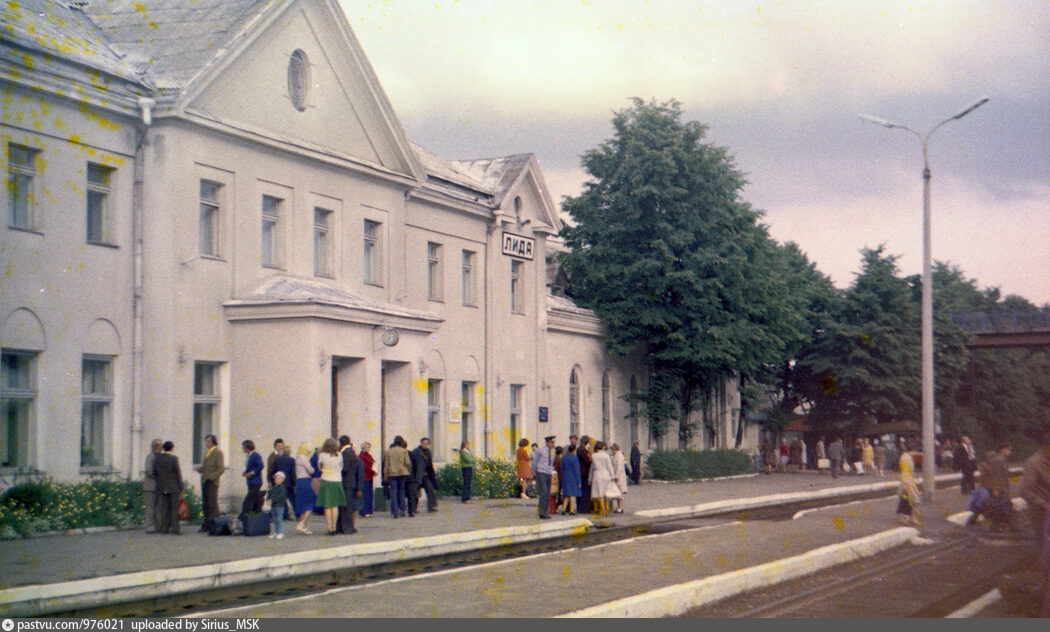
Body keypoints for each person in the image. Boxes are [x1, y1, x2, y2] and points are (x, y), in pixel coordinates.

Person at [1020, 431, 1050, 548]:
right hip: (1041, 513)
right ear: (1047, 447)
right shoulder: (1033, 463)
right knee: (1044, 548)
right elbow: (1025, 491)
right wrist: (1045, 505)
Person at [152, 440, 183, 535]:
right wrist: (181, 487)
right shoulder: (174, 459)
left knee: (164, 507)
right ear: (172, 448)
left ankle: (164, 528)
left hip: (162, 487)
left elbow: (154, 472)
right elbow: (177, 473)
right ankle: (175, 528)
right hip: (174, 487)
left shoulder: (158, 458)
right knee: (174, 508)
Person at [195, 433, 224, 532]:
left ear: (213, 442)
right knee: (205, 504)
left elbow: (220, 468)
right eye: (206, 441)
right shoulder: (207, 452)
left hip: (212, 481)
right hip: (205, 480)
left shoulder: (217, 452)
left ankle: (215, 525)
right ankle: (206, 525)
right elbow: (208, 466)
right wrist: (201, 469)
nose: (206, 443)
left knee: (212, 504)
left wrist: (212, 476)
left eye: (208, 441)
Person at [316, 438, 346, 535]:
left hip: (326, 480)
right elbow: (341, 467)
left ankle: (329, 527)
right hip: (337, 480)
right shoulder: (339, 455)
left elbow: (320, 467)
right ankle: (334, 526)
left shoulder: (322, 455)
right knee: (335, 505)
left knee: (327, 505)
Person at [337, 435, 363, 534]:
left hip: (347, 482)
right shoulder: (350, 452)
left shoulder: (346, 453)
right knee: (346, 506)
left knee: (346, 506)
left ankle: (347, 527)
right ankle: (345, 526)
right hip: (350, 483)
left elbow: (345, 468)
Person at [383, 435, 411, 518]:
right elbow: (408, 463)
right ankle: (403, 509)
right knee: (402, 492)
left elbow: (386, 465)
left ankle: (395, 511)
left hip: (392, 473)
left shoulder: (389, 451)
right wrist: (408, 470)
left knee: (394, 492)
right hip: (402, 473)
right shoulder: (404, 451)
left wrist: (385, 475)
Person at [589, 441, 620, 516]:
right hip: (606, 474)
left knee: (599, 492)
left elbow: (592, 467)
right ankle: (607, 509)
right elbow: (609, 466)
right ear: (603, 447)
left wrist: (590, 478)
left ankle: (602, 509)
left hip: (597, 474)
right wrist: (612, 475)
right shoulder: (606, 455)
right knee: (606, 492)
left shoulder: (594, 455)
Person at [410, 437, 438, 515]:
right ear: (421, 443)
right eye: (423, 443)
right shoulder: (416, 452)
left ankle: (431, 506)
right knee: (416, 492)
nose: (425, 445)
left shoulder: (428, 452)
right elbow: (413, 463)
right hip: (417, 475)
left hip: (426, 474)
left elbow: (429, 464)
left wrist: (432, 475)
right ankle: (413, 508)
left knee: (430, 488)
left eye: (426, 443)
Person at [294, 443, 318, 534]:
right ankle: (302, 523)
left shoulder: (297, 458)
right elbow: (310, 470)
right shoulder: (303, 458)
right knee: (311, 502)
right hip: (305, 481)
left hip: (300, 481)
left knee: (303, 504)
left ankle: (305, 526)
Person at [532, 435, 555, 519]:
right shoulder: (540, 450)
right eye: (552, 442)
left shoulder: (553, 451)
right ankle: (541, 512)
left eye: (554, 442)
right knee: (544, 491)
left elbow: (552, 462)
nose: (553, 444)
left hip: (548, 472)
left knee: (548, 492)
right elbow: (534, 462)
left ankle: (546, 512)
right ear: (547, 442)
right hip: (541, 472)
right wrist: (535, 472)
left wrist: (551, 470)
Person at [896, 446, 920, 526]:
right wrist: (906, 483)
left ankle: (911, 518)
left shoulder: (906, 457)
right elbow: (904, 471)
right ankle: (907, 518)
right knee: (911, 501)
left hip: (908, 480)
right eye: (915, 452)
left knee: (910, 501)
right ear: (912, 450)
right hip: (907, 481)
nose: (915, 453)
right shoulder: (905, 458)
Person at [240, 440, 264, 519]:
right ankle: (256, 516)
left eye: (243, 447)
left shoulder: (255, 455)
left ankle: (244, 515)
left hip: (255, 481)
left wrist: (251, 473)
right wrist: (245, 472)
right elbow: (250, 467)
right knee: (255, 500)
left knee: (249, 500)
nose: (242, 449)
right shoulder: (248, 456)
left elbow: (260, 466)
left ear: (247, 448)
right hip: (250, 481)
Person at [143, 438, 162, 533]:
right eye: (159, 446)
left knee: (158, 507)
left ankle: (158, 525)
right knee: (150, 506)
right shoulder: (150, 456)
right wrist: (158, 476)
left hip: (158, 486)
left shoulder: (160, 456)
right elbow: (149, 470)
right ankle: (150, 526)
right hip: (150, 486)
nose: (161, 448)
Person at [273, 443, 296, 520]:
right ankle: (297, 513)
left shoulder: (278, 459)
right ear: (289, 452)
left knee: (282, 499)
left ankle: (284, 514)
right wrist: (294, 483)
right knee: (292, 498)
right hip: (289, 482)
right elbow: (292, 473)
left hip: (280, 481)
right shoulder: (292, 460)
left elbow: (274, 471)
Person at [560, 443, 581, 515]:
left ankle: (563, 509)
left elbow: (562, 469)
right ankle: (571, 510)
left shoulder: (564, 457)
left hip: (565, 477)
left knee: (566, 495)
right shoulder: (575, 458)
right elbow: (577, 470)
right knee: (572, 494)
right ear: (574, 450)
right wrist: (579, 481)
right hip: (573, 478)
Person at [267, 471, 288, 539]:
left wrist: (272, 500)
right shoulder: (273, 487)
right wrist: (268, 499)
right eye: (276, 479)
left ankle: (281, 532)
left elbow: (281, 496)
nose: (276, 480)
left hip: (279, 505)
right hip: (273, 505)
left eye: (278, 479)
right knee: (275, 520)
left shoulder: (282, 488)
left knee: (279, 519)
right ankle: (276, 532)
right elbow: (270, 494)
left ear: (282, 479)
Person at [359, 442, 377, 516]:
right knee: (365, 495)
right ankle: (364, 511)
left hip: (369, 476)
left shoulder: (369, 456)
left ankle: (369, 511)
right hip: (364, 477)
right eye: (367, 447)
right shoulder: (361, 456)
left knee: (370, 494)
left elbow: (373, 463)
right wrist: (373, 471)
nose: (368, 448)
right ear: (363, 447)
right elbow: (365, 466)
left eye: (369, 447)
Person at [577, 436, 593, 514]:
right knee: (586, 491)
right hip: (584, 472)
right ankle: (584, 508)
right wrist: (591, 459)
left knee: (582, 491)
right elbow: (587, 461)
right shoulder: (582, 450)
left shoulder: (579, 449)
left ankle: (581, 507)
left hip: (581, 472)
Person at [610, 443, 627, 513]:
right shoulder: (616, 455)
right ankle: (618, 507)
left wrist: (616, 476)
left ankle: (620, 508)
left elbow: (619, 467)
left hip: (619, 476)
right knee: (617, 492)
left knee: (619, 492)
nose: (612, 451)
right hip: (616, 475)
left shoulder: (619, 456)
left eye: (612, 450)